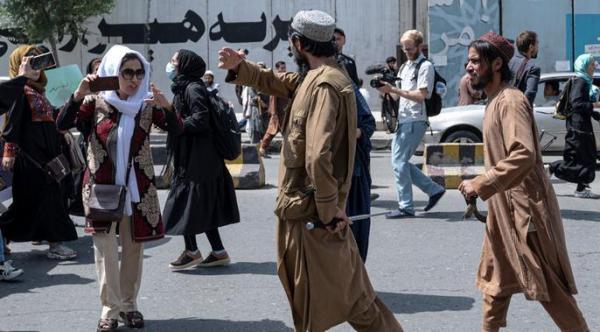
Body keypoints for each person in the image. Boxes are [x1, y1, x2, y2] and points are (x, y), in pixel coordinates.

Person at [219, 10, 403, 331]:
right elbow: (278, 81)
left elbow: (318, 157)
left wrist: (329, 212)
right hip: (310, 213)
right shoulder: (314, 78)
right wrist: (241, 67)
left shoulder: (324, 86)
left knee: (342, 303)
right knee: (347, 302)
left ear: (296, 42)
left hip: (312, 218)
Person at [458, 31, 589, 332]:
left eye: (476, 61)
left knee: (550, 288)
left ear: (496, 65)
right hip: (501, 213)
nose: (469, 67)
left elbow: (523, 154)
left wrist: (481, 183)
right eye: (469, 61)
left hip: (525, 212)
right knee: (494, 286)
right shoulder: (493, 102)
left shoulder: (511, 101)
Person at [56, 45, 183, 332]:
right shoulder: (95, 102)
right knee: (105, 251)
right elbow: (61, 124)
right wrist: (77, 97)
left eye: (139, 72)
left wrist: (167, 105)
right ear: (113, 72)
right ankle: (109, 310)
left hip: (138, 191)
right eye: (127, 72)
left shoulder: (147, 105)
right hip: (103, 190)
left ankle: (129, 305)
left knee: (134, 249)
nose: (134, 79)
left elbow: (178, 130)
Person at [162, 49, 239, 270]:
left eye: (174, 61)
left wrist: (176, 122)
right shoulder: (184, 87)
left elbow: (200, 120)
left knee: (187, 203)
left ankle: (192, 251)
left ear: (185, 65)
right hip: (196, 156)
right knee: (201, 206)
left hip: (199, 158)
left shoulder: (193, 87)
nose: (171, 64)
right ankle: (217, 251)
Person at [0, 45, 78, 260]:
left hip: (47, 154)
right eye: (30, 61)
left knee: (29, 203)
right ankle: (55, 244)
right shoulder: (20, 90)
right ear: (19, 64)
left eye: (38, 61)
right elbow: (12, 122)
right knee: (44, 200)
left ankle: (3, 236)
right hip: (31, 156)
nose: (36, 67)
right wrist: (9, 151)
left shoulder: (38, 91)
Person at [377, 30, 446, 218]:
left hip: (416, 120)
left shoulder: (425, 67)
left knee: (399, 162)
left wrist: (395, 91)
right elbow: (397, 95)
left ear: (419, 46)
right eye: (404, 49)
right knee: (399, 162)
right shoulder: (404, 68)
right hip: (403, 120)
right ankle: (433, 190)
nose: (406, 52)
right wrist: (384, 89)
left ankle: (406, 206)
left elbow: (421, 95)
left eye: (409, 48)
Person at [548, 54, 600, 198]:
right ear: (583, 66)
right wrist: (595, 104)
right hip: (579, 127)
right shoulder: (581, 82)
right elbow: (577, 104)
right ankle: (554, 167)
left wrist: (594, 113)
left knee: (584, 158)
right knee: (584, 158)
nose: (594, 67)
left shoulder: (581, 81)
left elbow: (580, 106)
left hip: (579, 125)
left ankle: (581, 188)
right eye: (591, 64)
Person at [348, 82, 376, 262]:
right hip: (318, 178)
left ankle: (354, 283)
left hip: (353, 174)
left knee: (354, 231)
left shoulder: (346, 86)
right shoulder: (305, 84)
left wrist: (352, 132)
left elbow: (368, 124)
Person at [259, 60, 288, 157]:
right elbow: (273, 97)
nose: (284, 70)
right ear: (277, 69)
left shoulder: (285, 78)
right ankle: (262, 148)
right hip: (277, 112)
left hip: (284, 112)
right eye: (282, 68)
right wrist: (274, 112)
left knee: (287, 132)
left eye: (284, 68)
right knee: (271, 131)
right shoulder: (276, 79)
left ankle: (286, 151)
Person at [509, 30, 541, 106]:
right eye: (537, 43)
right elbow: (530, 93)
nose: (538, 47)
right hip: (518, 112)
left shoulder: (509, 61)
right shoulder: (533, 68)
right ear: (531, 47)